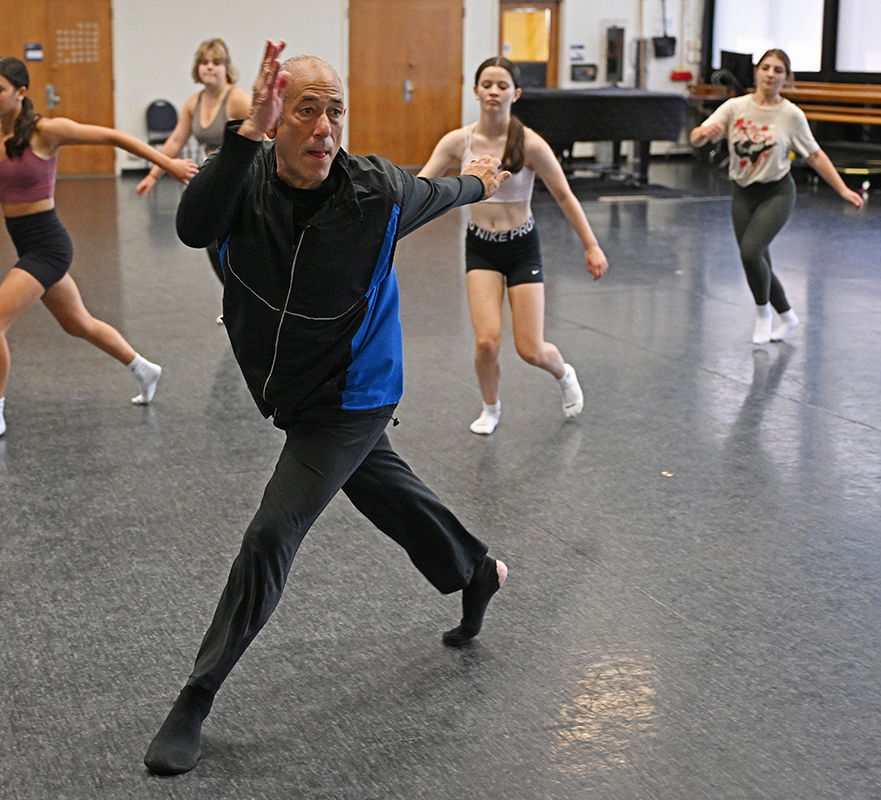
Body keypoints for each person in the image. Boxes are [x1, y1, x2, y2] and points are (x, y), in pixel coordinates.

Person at [144, 40, 511, 776]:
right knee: (382, 490)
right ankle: (474, 572)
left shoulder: (374, 193)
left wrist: (476, 180)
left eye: (333, 110)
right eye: (303, 109)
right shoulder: (241, 185)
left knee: (270, 533)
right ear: (275, 118)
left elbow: (444, 193)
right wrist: (244, 132)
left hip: (352, 392)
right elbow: (192, 226)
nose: (322, 126)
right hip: (289, 388)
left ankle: (195, 697)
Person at [0, 56, 197, 445]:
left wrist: (167, 163)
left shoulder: (47, 131)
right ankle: (143, 368)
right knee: (78, 323)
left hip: (49, 245)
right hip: (25, 242)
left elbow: (114, 138)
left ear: (21, 92)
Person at [418, 57, 608, 436]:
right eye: (486, 84)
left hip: (522, 246)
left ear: (515, 94)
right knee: (487, 341)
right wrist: (390, 225)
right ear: (475, 91)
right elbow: (421, 187)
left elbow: (565, 197)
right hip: (482, 247)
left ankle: (563, 372)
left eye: (502, 85)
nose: (493, 91)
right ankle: (491, 406)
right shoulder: (459, 141)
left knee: (530, 349)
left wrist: (592, 246)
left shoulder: (532, 144)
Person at [690, 48, 864, 345]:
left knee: (751, 252)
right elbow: (697, 136)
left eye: (778, 70)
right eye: (766, 68)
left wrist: (843, 189)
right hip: (742, 192)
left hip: (777, 193)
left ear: (786, 78)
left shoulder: (790, 115)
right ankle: (787, 315)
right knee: (757, 260)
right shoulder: (735, 107)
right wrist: (704, 133)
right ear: (757, 72)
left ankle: (763, 315)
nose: (771, 74)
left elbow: (815, 155)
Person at [137, 38, 253, 296]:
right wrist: (154, 174)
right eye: (204, 62)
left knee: (235, 241)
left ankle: (245, 300)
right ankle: (235, 299)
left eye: (216, 62)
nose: (209, 68)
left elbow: (264, 141)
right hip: (215, 179)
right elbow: (177, 140)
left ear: (227, 68)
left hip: (242, 179)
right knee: (212, 242)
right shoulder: (194, 102)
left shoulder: (237, 100)